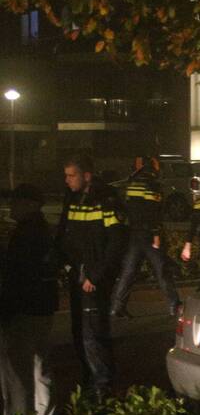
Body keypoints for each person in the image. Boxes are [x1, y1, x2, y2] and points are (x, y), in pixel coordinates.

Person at [57, 153, 127, 402]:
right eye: (65, 175)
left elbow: (117, 241)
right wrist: (64, 263)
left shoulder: (105, 199)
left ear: (87, 175)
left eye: (71, 175)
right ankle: (91, 381)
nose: (67, 180)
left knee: (93, 336)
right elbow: (65, 233)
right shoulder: (73, 197)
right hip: (77, 275)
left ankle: (103, 389)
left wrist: (96, 276)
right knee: (80, 334)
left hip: (93, 280)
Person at [0, 184, 58, 415]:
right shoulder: (42, 230)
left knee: (17, 373)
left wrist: (7, 312)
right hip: (42, 309)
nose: (12, 206)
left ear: (30, 204)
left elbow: (16, 278)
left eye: (17, 201)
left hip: (23, 312)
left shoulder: (26, 235)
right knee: (39, 367)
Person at [110, 157, 181, 318]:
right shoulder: (152, 184)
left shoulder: (132, 184)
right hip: (148, 234)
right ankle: (174, 305)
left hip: (134, 233)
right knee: (161, 270)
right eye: (157, 166)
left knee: (128, 271)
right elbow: (153, 210)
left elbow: (127, 207)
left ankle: (116, 307)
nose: (159, 168)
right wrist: (156, 233)